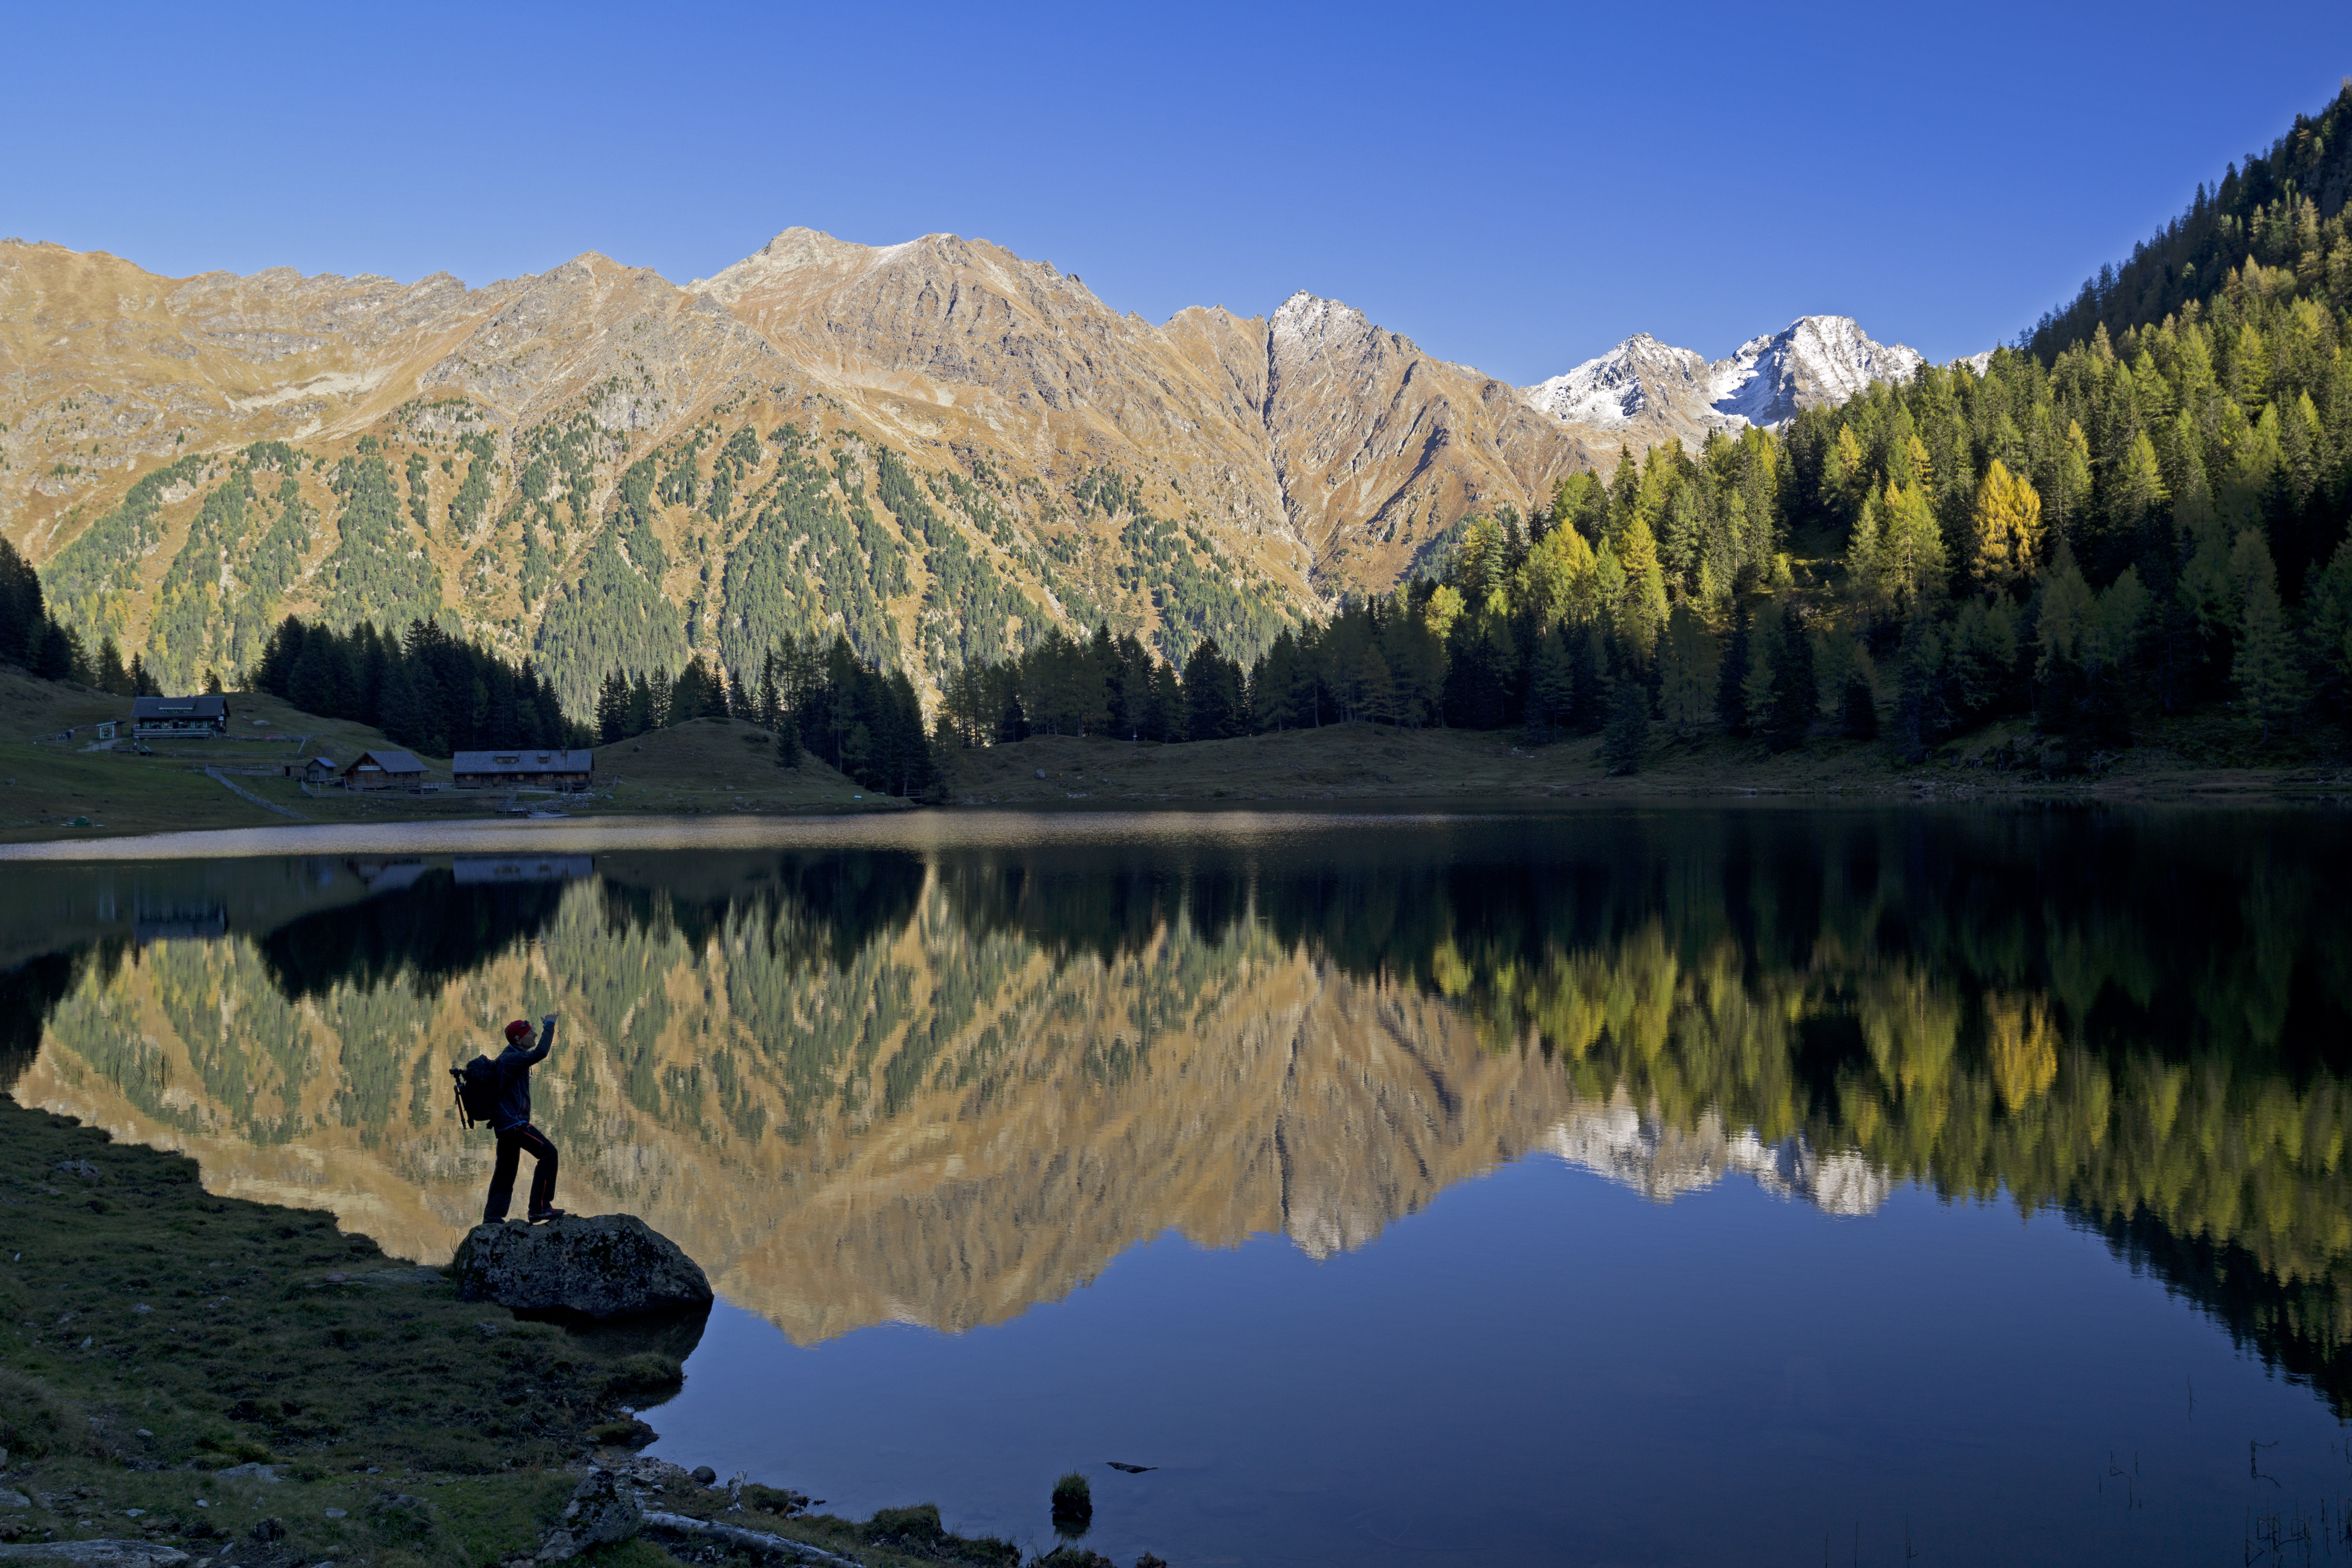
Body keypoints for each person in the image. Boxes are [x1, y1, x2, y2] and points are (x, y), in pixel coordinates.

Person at [484, 1013, 566, 1224]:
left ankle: (493, 1219)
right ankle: (539, 1208)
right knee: (549, 1154)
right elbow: (542, 1052)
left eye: (536, 1032)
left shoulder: (508, 1058)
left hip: (506, 1125)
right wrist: (550, 1025)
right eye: (531, 1033)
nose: (536, 1035)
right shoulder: (511, 1059)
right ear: (519, 1040)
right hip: (514, 1123)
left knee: (505, 1172)